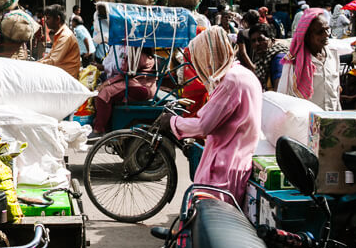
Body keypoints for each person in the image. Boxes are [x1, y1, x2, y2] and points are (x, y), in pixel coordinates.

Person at [152, 26, 262, 204]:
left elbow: (203, 126)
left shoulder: (231, 80)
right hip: (235, 160)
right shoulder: (244, 74)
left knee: (208, 219)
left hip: (223, 168)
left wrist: (172, 122)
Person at [278, 9, 342, 111]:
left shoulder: (333, 54)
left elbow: (336, 92)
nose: (326, 34)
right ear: (307, 35)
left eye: (327, 29)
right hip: (306, 122)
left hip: (331, 118)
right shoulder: (293, 62)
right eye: (320, 32)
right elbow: (283, 96)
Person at [92, 46, 157, 135]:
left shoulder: (138, 56)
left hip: (140, 87)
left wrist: (107, 83)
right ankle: (104, 125)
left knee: (104, 94)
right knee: (102, 90)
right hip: (136, 83)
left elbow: (124, 73)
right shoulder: (143, 55)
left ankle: (98, 129)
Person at [39, 4, 81, 78]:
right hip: (61, 74)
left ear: (58, 19)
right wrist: (36, 63)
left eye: (48, 18)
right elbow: (50, 56)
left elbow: (53, 60)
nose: (46, 21)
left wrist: (35, 65)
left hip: (67, 77)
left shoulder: (65, 36)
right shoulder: (60, 34)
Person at [248, 23, 286, 91]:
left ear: (272, 40)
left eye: (261, 39)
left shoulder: (278, 59)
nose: (257, 44)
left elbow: (280, 92)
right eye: (253, 41)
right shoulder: (262, 60)